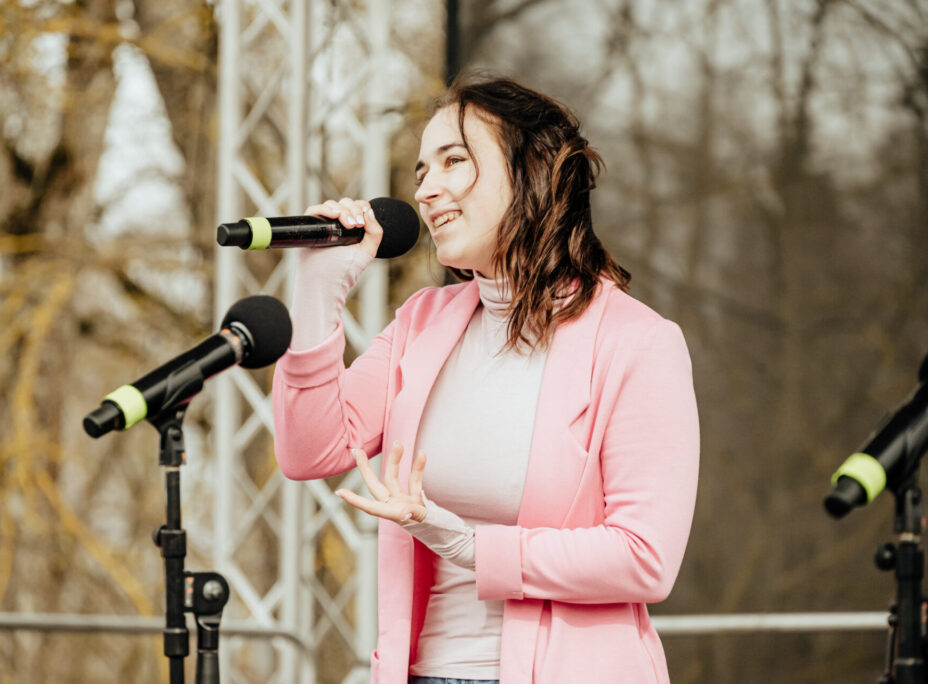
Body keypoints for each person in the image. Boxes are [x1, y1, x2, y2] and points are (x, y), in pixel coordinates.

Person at [272, 76, 699, 684]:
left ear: (534, 172)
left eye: (454, 161)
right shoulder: (423, 321)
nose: (426, 190)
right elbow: (309, 449)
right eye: (422, 170)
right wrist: (317, 292)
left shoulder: (638, 341)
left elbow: (645, 557)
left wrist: (472, 547)